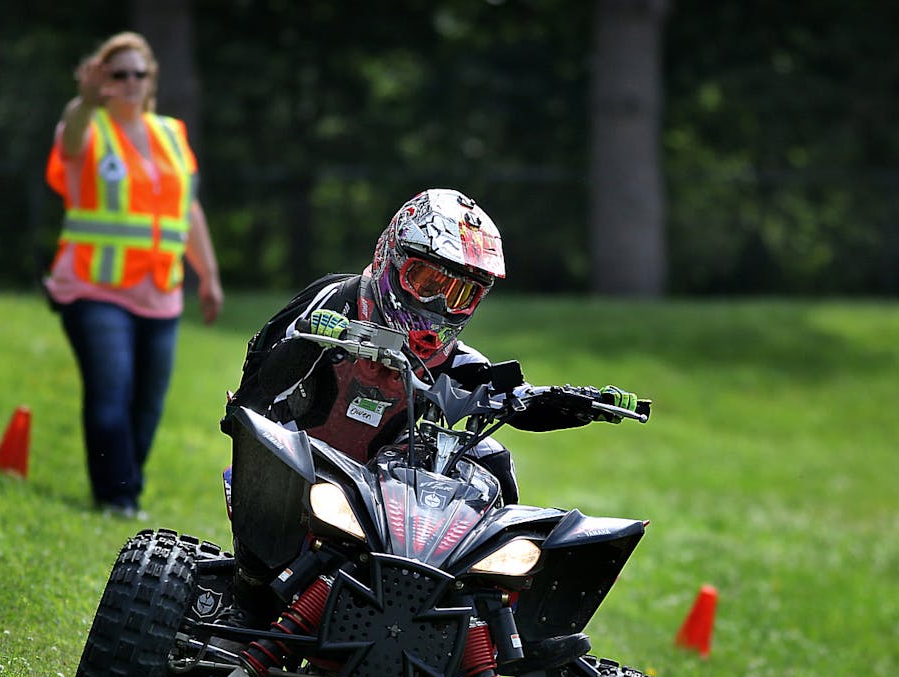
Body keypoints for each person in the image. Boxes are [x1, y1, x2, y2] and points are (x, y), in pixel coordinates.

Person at [224, 187, 639, 599]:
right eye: (426, 282)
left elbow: (512, 397)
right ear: (392, 256)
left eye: (460, 294)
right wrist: (310, 340)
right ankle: (251, 589)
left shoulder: (452, 357)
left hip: (375, 491)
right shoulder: (335, 300)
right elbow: (258, 386)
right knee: (260, 573)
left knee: (490, 458)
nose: (440, 304)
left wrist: (571, 402)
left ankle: (477, 597)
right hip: (299, 473)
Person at [44, 31, 224, 517]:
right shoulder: (86, 125)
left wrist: (207, 275)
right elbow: (72, 138)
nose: (128, 82)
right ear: (102, 81)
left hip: (160, 292)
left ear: (151, 80)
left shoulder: (170, 133)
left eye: (136, 73)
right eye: (116, 74)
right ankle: (116, 497)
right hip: (93, 288)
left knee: (146, 405)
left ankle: (126, 488)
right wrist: (82, 102)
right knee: (112, 392)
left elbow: (189, 211)